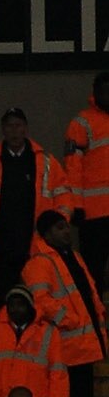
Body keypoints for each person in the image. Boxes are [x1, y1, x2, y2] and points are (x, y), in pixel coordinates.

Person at [22, 207, 104, 397]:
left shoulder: (73, 256)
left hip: (82, 341)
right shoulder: (40, 262)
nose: (66, 231)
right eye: (60, 227)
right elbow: (40, 300)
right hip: (65, 343)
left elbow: (88, 293)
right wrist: (68, 319)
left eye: (66, 226)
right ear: (46, 234)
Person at [0, 107, 70, 296]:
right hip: (2, 246)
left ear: (26, 129)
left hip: (36, 243)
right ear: (3, 130)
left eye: (18, 125)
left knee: (39, 295)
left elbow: (63, 194)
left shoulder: (46, 162)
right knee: (2, 299)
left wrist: (57, 226)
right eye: (9, 126)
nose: (14, 131)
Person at [64, 68, 109, 294]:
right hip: (93, 216)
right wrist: (77, 207)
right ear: (96, 93)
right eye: (105, 91)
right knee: (93, 275)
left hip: (96, 215)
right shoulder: (81, 123)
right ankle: (97, 324)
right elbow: (73, 168)